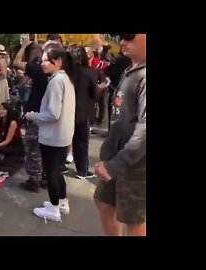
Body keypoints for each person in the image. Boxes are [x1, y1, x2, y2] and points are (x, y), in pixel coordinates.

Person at [94, 34, 146, 236]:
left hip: (136, 164)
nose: (122, 42)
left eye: (129, 36)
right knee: (104, 202)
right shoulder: (132, 68)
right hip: (117, 157)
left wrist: (117, 164)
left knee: (133, 219)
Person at [25, 47, 76, 222]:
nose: (42, 63)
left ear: (58, 62)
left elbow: (53, 113)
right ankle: (62, 202)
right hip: (63, 134)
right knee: (57, 171)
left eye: (47, 60)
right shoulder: (65, 79)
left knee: (52, 171)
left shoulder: (56, 82)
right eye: (42, 60)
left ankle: (55, 208)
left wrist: (34, 116)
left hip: (53, 136)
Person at [14, 37, 61, 192]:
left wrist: (24, 46)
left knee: (32, 147)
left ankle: (34, 179)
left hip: (36, 114)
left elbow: (16, 62)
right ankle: (44, 177)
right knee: (45, 147)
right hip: (51, 115)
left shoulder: (39, 69)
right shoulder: (61, 73)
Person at [66, 45, 98, 179]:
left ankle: (61, 166)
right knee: (82, 142)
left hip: (66, 110)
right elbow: (95, 93)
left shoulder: (65, 72)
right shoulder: (89, 72)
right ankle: (82, 170)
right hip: (83, 112)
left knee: (65, 140)